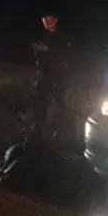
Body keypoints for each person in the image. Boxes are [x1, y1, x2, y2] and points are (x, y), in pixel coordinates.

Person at [32, 14, 71, 145]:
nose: (47, 23)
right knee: (41, 103)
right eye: (44, 21)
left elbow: (64, 52)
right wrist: (38, 52)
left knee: (60, 103)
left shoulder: (61, 36)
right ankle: (39, 132)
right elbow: (37, 54)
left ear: (55, 21)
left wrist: (49, 49)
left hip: (59, 75)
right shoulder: (42, 36)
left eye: (49, 20)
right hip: (45, 74)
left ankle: (61, 132)